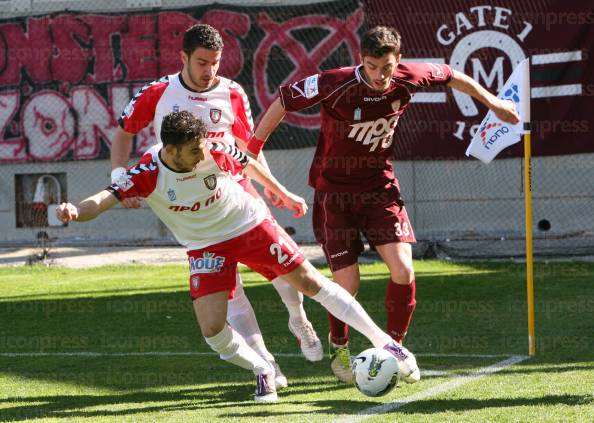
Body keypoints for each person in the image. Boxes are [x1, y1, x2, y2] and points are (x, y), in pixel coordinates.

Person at [56, 111, 420, 402]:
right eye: (193, 152)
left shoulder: (213, 147)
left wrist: (281, 193)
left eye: (203, 148)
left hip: (248, 224)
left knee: (309, 281)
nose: (203, 156)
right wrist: (74, 210)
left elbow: (247, 163)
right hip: (205, 247)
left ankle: (384, 343)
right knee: (212, 328)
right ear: (170, 151)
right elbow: (103, 199)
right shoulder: (148, 172)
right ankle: (262, 369)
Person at [247, 26, 521, 383]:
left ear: (399, 62)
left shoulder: (410, 77)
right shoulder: (335, 82)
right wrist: (251, 149)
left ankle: (395, 350)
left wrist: (497, 105)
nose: (380, 75)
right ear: (362, 60)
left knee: (403, 270)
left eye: (387, 67)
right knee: (347, 284)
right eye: (373, 66)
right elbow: (284, 99)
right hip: (336, 194)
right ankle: (339, 347)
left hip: (380, 187)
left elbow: (454, 76)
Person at [109, 23, 323, 374]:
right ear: (184, 58)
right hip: (194, 204)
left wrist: (271, 186)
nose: (209, 70)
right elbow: (123, 133)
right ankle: (266, 364)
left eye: (216, 62)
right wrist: (119, 178)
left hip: (236, 189)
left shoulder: (233, 92)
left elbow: (247, 146)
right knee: (230, 290)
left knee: (283, 270)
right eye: (202, 62)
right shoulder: (158, 92)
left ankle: (298, 319)